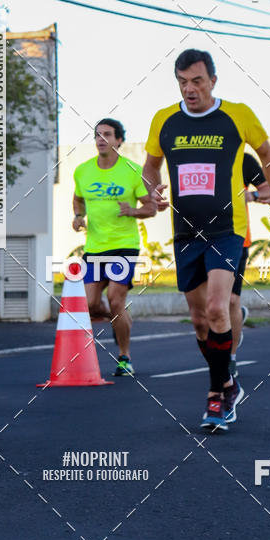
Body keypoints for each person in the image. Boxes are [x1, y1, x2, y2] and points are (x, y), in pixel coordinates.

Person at [143, 49, 270, 432]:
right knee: (198, 321)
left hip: (227, 229)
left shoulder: (237, 115)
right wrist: (152, 191)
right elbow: (151, 165)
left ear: (213, 81)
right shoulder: (165, 120)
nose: (189, 89)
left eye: (197, 81)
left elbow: (267, 153)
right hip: (185, 230)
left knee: (218, 309)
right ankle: (227, 382)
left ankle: (216, 395)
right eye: (182, 81)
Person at [73, 118, 157, 377]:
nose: (101, 139)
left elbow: (151, 207)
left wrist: (132, 210)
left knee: (116, 299)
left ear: (119, 140)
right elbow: (77, 200)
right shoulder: (82, 171)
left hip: (124, 246)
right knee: (89, 304)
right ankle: (119, 319)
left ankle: (124, 357)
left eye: (107, 134)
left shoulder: (132, 170)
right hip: (94, 247)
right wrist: (78, 216)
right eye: (98, 135)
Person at [229, 152, 270, 379]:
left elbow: (269, 191)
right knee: (207, 308)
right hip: (202, 240)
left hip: (237, 239)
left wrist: (251, 195)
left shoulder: (244, 160)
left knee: (231, 300)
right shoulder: (199, 155)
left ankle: (231, 358)